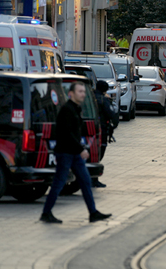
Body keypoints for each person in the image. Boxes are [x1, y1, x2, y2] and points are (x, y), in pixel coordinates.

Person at [40, 82, 111, 224]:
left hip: (74, 154)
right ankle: (46, 213)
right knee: (59, 183)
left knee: (85, 181)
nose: (83, 94)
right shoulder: (67, 109)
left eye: (84, 92)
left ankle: (93, 213)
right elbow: (66, 134)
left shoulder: (76, 109)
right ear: (71, 93)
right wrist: (81, 149)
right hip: (65, 153)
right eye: (80, 91)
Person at [92, 80, 119, 188]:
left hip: (89, 130)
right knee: (98, 155)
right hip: (101, 131)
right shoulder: (104, 100)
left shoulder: (89, 97)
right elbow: (112, 113)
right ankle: (93, 179)